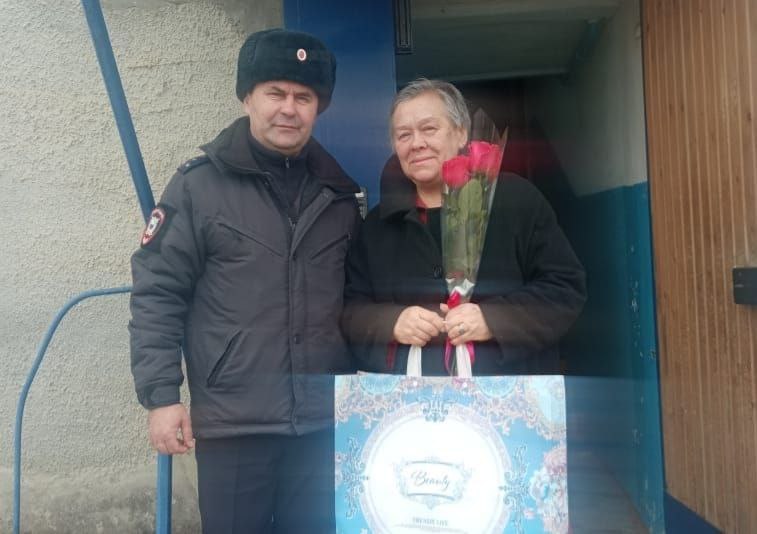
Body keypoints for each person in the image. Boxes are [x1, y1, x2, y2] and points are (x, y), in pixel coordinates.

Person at [128, 28, 361, 533]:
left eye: (304, 97)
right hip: (233, 421)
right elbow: (158, 293)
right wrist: (162, 397)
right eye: (276, 93)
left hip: (322, 422)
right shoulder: (198, 186)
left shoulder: (340, 195)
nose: (289, 109)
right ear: (247, 97)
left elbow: (356, 301)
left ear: (318, 108)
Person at [342, 79, 586, 376]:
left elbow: (565, 288)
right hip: (414, 400)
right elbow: (351, 311)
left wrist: (493, 320)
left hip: (506, 395)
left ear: (461, 133)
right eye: (403, 134)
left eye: (429, 129)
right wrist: (392, 323)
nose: (416, 143)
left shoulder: (515, 200)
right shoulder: (376, 226)